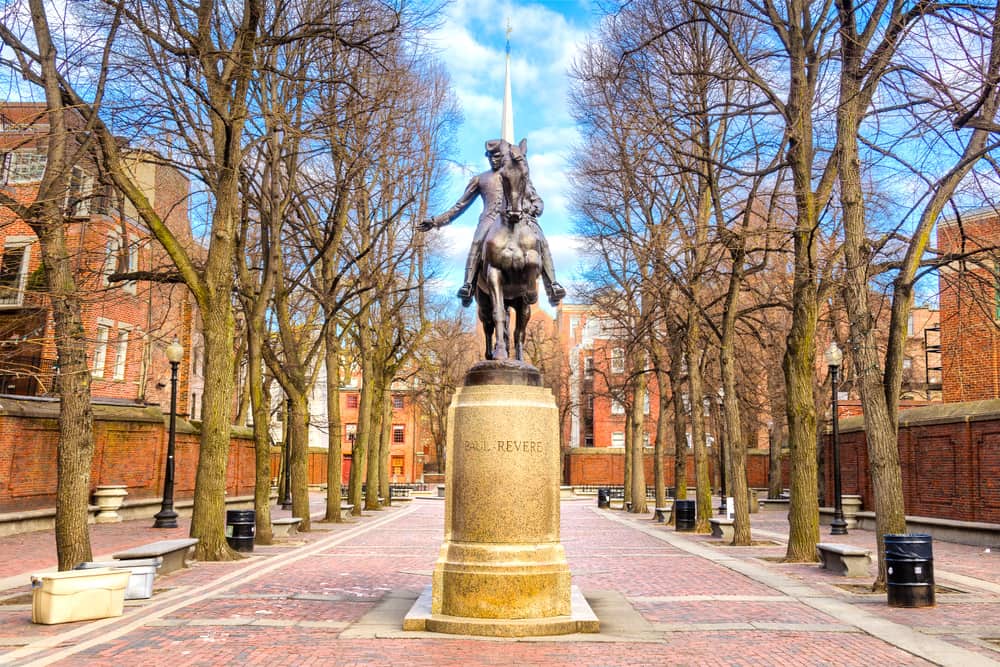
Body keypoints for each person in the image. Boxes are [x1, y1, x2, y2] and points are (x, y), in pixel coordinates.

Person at [418, 139, 565, 307]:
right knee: (477, 242)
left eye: (497, 155)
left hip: (518, 218)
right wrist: (436, 221)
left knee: (541, 240)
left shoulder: (516, 173)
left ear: (504, 156)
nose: (494, 159)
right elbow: (460, 205)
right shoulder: (480, 179)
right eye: (490, 156)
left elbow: (535, 198)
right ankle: (468, 284)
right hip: (489, 220)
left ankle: (552, 285)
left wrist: (536, 207)